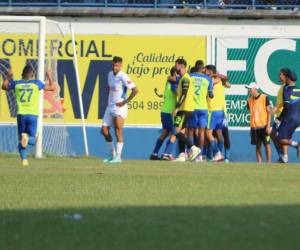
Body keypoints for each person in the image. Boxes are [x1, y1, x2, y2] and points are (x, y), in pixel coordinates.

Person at [1, 65, 55, 166]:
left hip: (21, 114)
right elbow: (52, 87)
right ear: (32, 75)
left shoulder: (17, 83)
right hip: (33, 115)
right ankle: (26, 140)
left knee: (21, 140)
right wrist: (49, 76)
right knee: (32, 140)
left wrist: (8, 77)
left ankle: (24, 160)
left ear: (22, 75)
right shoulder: (36, 83)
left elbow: (4, 87)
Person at [101, 56, 138, 163]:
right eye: (113, 65)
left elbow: (135, 90)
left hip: (120, 108)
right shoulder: (109, 74)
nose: (114, 67)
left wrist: (124, 102)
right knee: (104, 130)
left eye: (117, 65)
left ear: (121, 65)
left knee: (118, 131)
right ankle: (112, 154)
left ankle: (118, 157)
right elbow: (109, 89)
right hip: (110, 106)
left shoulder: (123, 76)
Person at [162, 58, 200, 161]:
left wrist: (177, 107)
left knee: (175, 130)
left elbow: (184, 94)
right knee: (180, 132)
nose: (175, 67)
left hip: (185, 109)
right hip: (185, 109)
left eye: (176, 65)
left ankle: (193, 148)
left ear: (180, 66)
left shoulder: (186, 79)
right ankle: (182, 155)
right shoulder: (182, 78)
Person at [186, 62, 213, 162]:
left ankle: (191, 153)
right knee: (202, 132)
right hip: (203, 108)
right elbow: (211, 95)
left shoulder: (190, 76)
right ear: (203, 69)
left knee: (191, 131)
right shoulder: (208, 79)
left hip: (192, 108)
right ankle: (200, 156)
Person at [150, 67, 178, 160]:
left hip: (164, 111)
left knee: (165, 133)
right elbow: (177, 91)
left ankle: (154, 153)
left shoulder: (169, 82)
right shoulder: (173, 83)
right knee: (174, 134)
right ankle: (166, 154)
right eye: (177, 73)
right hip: (170, 112)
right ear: (174, 74)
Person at [204, 65, 228, 161]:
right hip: (220, 111)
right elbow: (227, 81)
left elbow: (225, 80)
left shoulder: (211, 81)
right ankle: (220, 154)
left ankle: (217, 153)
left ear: (209, 71)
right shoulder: (220, 80)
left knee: (208, 133)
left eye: (205, 71)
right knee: (218, 133)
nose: (204, 73)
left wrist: (212, 75)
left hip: (213, 110)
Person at [276, 71, 300, 163]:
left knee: (279, 138)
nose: (284, 78)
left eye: (285, 77)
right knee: (285, 137)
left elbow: (286, 106)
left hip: (289, 117)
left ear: (288, 79)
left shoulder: (287, 89)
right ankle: (285, 158)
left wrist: (279, 118)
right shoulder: (298, 89)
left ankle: (296, 144)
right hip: (297, 119)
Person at [246, 82, 272, 163]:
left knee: (267, 145)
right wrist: (251, 128)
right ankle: (259, 164)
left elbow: (269, 112)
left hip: (264, 126)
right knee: (258, 146)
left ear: (255, 89)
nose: (249, 90)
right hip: (254, 127)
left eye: (250, 89)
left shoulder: (264, 97)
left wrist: (268, 126)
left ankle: (268, 163)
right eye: (248, 89)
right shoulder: (249, 100)